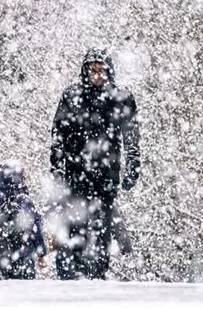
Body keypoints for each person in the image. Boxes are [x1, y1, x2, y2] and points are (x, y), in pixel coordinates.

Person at [49, 47, 140, 280]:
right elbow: (58, 134)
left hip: (106, 174)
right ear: (86, 70)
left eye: (101, 70)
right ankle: (78, 269)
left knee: (102, 226)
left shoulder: (120, 98)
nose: (97, 74)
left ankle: (99, 272)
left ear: (109, 71)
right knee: (76, 224)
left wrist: (133, 166)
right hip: (76, 171)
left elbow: (131, 136)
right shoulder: (72, 96)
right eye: (93, 70)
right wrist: (57, 167)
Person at [0, 161, 47, 280]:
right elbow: (36, 230)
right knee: (24, 295)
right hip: (24, 258)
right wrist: (41, 254)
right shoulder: (26, 201)